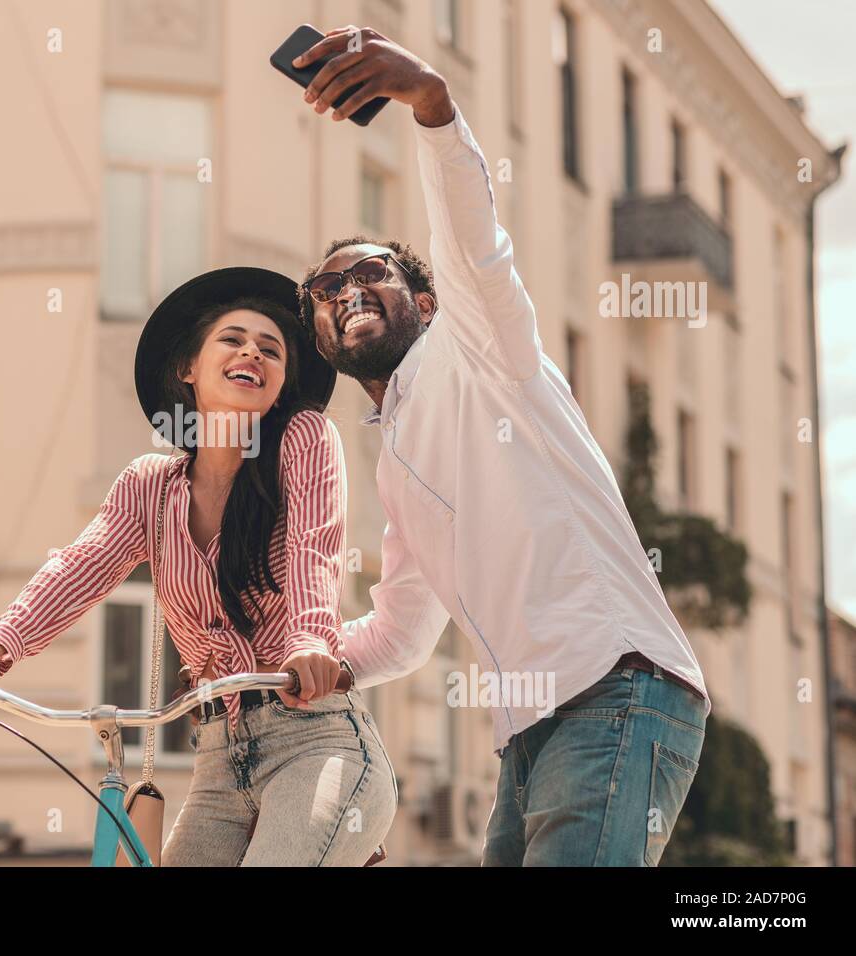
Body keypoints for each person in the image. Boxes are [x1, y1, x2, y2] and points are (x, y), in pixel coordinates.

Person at [290, 26, 711, 866]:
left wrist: (432, 105)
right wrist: (303, 664)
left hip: (615, 686)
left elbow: (475, 241)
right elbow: (405, 631)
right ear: (324, 342)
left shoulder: (480, 347)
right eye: (326, 289)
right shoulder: (395, 453)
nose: (347, 291)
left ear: (428, 300)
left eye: (370, 271)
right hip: (529, 733)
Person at [0, 267, 397, 866]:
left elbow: (316, 545)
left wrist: (311, 638)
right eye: (232, 340)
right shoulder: (150, 486)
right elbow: (80, 566)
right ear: (189, 369)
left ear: (282, 384)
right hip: (215, 760)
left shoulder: (304, 439)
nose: (252, 353)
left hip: (315, 741)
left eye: (271, 350)